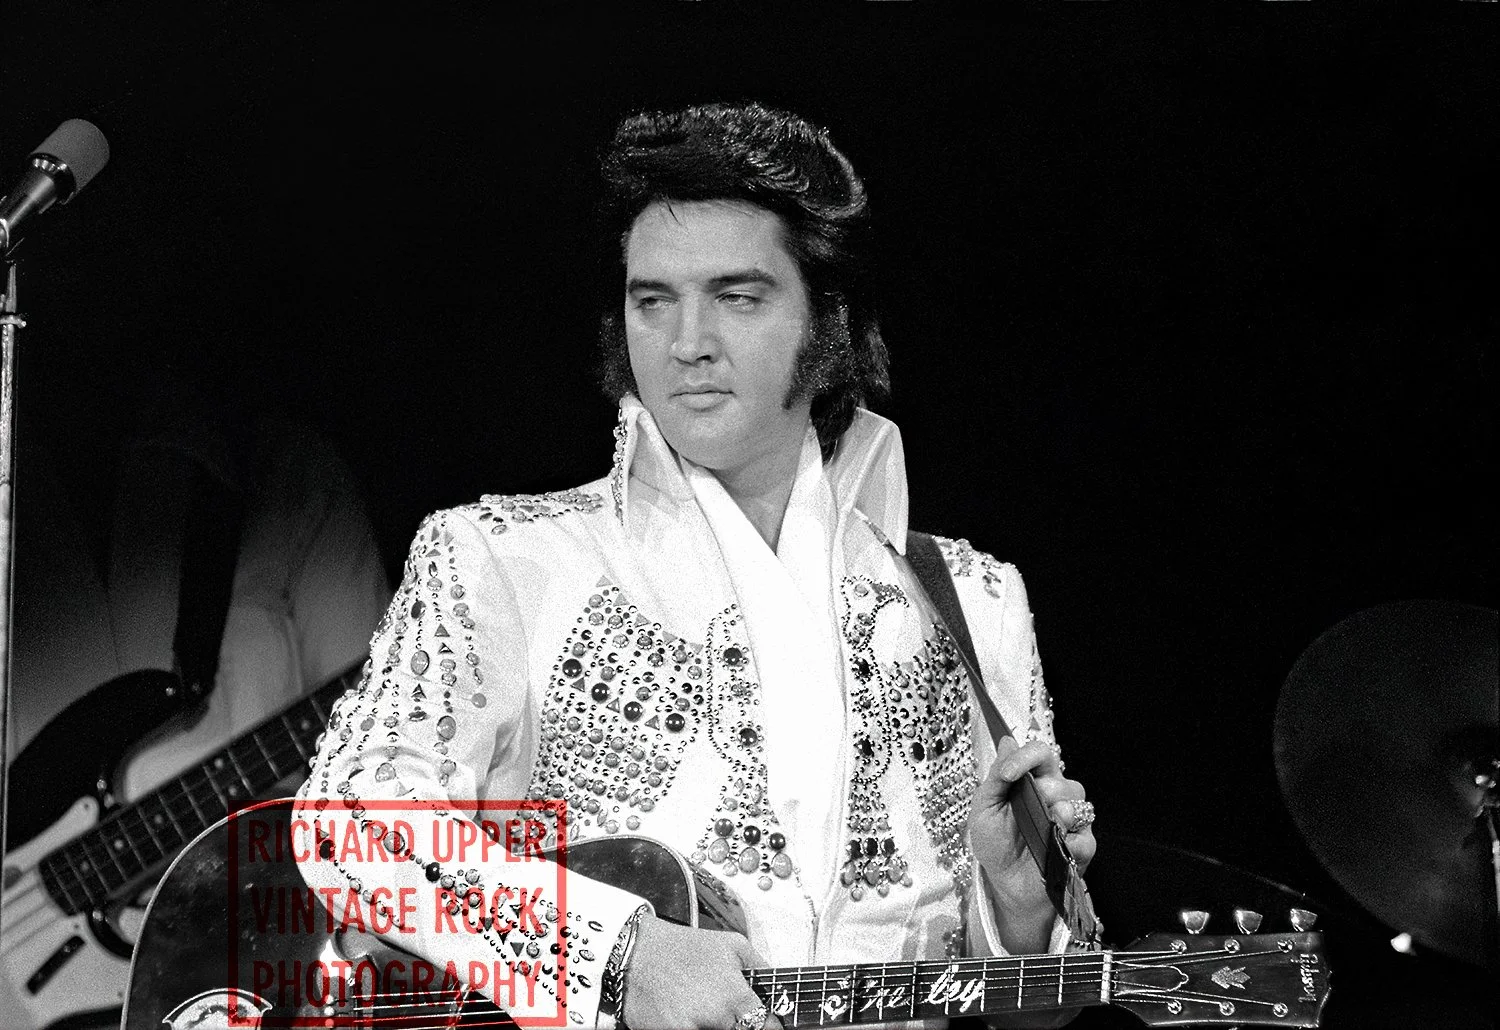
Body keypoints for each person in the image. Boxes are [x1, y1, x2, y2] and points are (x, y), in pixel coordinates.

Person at [293, 101, 1096, 1030]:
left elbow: (1033, 1011)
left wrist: (1017, 903)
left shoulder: (975, 598)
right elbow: (354, 830)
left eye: (738, 296)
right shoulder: (505, 556)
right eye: (653, 300)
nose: (686, 343)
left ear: (827, 320)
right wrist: (618, 956)